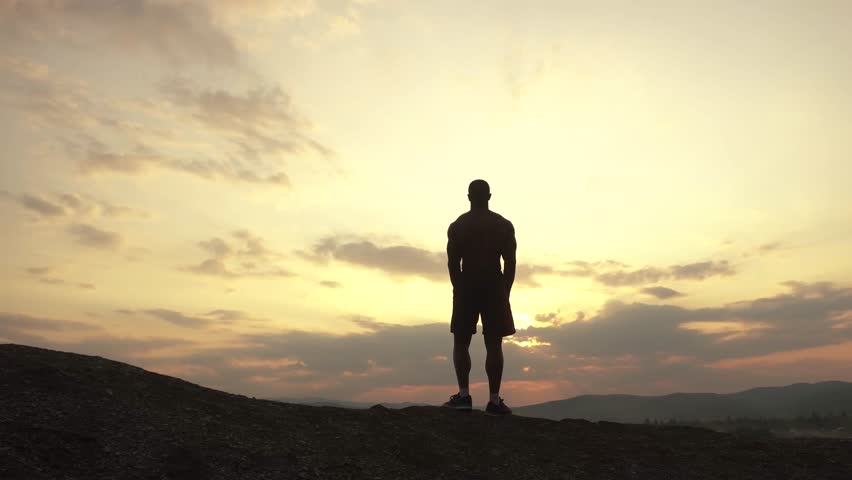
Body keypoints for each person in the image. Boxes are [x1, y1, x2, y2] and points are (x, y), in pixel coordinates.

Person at [442, 179, 516, 416]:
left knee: (461, 341)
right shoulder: (503, 225)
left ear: (469, 197)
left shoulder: (458, 226)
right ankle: (494, 401)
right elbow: (511, 262)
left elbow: (453, 262)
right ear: (490, 196)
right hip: (494, 284)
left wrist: (458, 286)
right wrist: (505, 290)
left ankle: (463, 396)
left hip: (467, 283)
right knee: (494, 343)